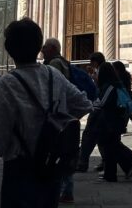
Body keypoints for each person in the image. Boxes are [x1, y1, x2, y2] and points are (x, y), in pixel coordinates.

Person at [0, 18, 92, 208]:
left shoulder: (7, 83)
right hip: (50, 169)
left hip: (20, 170)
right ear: (38, 46)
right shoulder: (54, 75)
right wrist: (55, 123)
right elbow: (84, 104)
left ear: (9, 49)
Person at [40, 37, 79, 204]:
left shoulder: (54, 64)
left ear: (52, 48)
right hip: (64, 113)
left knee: (57, 152)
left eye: (44, 48)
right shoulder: (63, 62)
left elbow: (51, 89)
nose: (42, 51)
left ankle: (62, 189)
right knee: (64, 152)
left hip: (56, 115)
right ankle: (65, 190)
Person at [93, 62, 132, 183]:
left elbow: (102, 102)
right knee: (112, 146)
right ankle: (118, 170)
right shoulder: (116, 84)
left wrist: (89, 105)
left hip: (111, 121)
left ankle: (126, 163)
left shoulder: (110, 86)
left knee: (109, 146)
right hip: (116, 120)